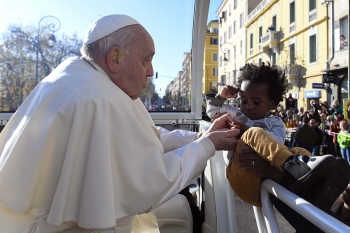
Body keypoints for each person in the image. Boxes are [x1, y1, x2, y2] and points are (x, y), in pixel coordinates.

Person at [0, 14, 240, 232]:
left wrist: (201, 136)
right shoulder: (99, 98)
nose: (150, 71)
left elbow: (144, 135)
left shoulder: (80, 75)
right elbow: (151, 181)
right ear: (115, 57)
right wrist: (207, 145)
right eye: (146, 60)